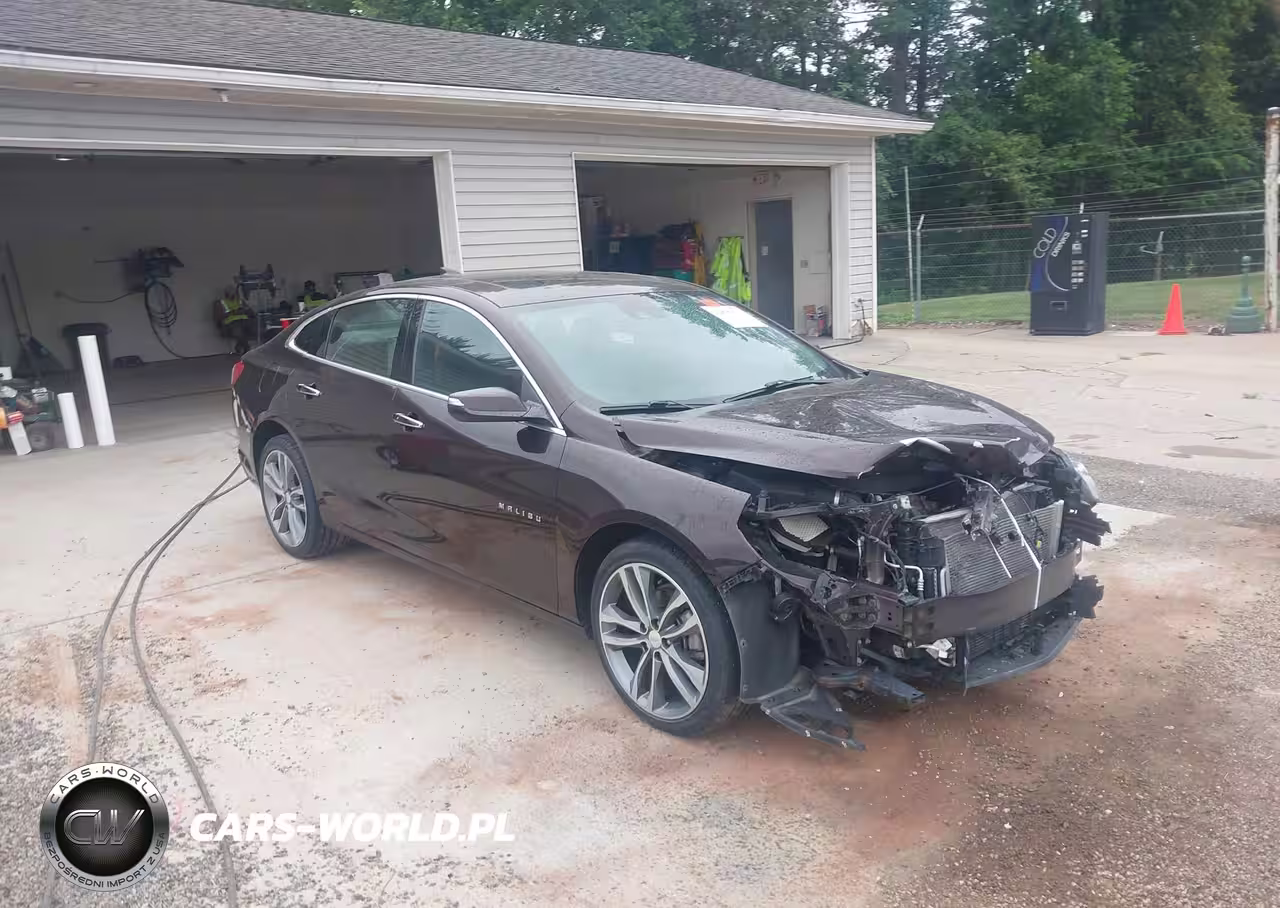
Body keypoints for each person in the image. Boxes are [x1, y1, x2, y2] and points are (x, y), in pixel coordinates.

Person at [212, 286, 254, 355]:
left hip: (244, 320)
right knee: (238, 330)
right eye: (230, 294)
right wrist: (233, 312)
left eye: (234, 293)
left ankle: (239, 346)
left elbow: (251, 312)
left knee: (255, 327)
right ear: (226, 294)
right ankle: (247, 348)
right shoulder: (221, 302)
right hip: (231, 323)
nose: (233, 295)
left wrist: (245, 310)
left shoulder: (240, 301)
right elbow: (219, 317)